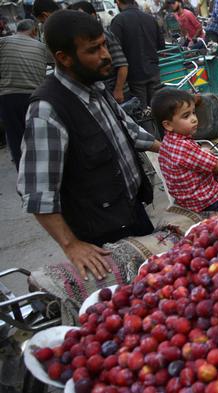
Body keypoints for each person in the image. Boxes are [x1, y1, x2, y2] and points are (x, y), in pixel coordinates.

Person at [18, 10, 161, 281]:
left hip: (132, 211)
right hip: (101, 235)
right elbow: (38, 193)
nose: (106, 55)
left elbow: (129, 130)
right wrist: (72, 246)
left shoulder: (95, 86)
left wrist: (173, 151)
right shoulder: (48, 110)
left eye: (104, 44)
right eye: (94, 50)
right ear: (64, 58)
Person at [153, 88, 218, 211]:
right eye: (186, 116)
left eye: (193, 112)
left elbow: (185, 160)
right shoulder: (184, 146)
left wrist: (202, 151)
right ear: (168, 125)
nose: (194, 118)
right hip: (204, 199)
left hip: (186, 198)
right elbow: (217, 166)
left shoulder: (168, 143)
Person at [0, 19, 53, 169]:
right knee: (38, 138)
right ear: (34, 32)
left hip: (8, 97)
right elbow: (57, 65)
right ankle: (44, 170)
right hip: (35, 97)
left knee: (16, 140)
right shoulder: (42, 47)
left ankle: (24, 176)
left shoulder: (3, 42)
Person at [68, 1, 130, 103]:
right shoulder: (81, 39)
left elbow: (122, 65)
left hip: (117, 92)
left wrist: (118, 90)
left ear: (93, 16)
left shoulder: (104, 35)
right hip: (102, 93)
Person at [112, 0, 165, 109]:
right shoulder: (150, 18)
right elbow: (161, 45)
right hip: (153, 72)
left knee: (143, 114)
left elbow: (115, 51)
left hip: (134, 76)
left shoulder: (118, 21)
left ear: (117, 2)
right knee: (159, 109)